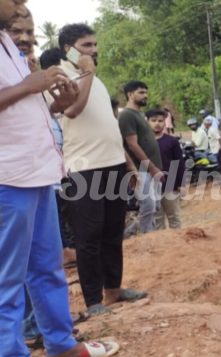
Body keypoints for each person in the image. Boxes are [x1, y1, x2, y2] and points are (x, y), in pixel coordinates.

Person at [0, 1, 120, 355]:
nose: (21, 4)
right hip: (8, 178)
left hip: (38, 175)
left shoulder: (11, 49)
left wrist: (55, 103)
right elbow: (18, 93)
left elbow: (23, 110)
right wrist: (28, 85)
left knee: (47, 268)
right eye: (15, 3)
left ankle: (61, 343)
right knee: (8, 279)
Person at [56, 22, 147, 317]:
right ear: (67, 49)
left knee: (112, 232)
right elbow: (72, 110)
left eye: (95, 45)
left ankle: (114, 291)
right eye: (86, 46)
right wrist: (87, 73)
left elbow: (108, 126)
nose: (94, 51)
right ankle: (93, 301)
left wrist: (128, 165)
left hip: (114, 166)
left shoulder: (96, 79)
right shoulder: (59, 77)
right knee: (89, 237)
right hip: (84, 170)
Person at [118, 80, 163, 236]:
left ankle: (132, 232)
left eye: (146, 92)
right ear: (130, 95)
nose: (146, 96)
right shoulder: (126, 115)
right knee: (148, 205)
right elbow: (132, 145)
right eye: (141, 92)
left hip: (150, 169)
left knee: (155, 206)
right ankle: (147, 237)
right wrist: (152, 168)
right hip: (140, 169)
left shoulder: (139, 115)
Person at [147, 109, 184, 229]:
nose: (157, 123)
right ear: (147, 122)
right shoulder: (142, 142)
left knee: (174, 218)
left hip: (170, 185)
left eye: (160, 121)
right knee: (157, 221)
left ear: (165, 123)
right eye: (153, 120)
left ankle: (178, 246)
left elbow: (179, 163)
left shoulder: (172, 141)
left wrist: (181, 184)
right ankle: (161, 247)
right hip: (151, 186)